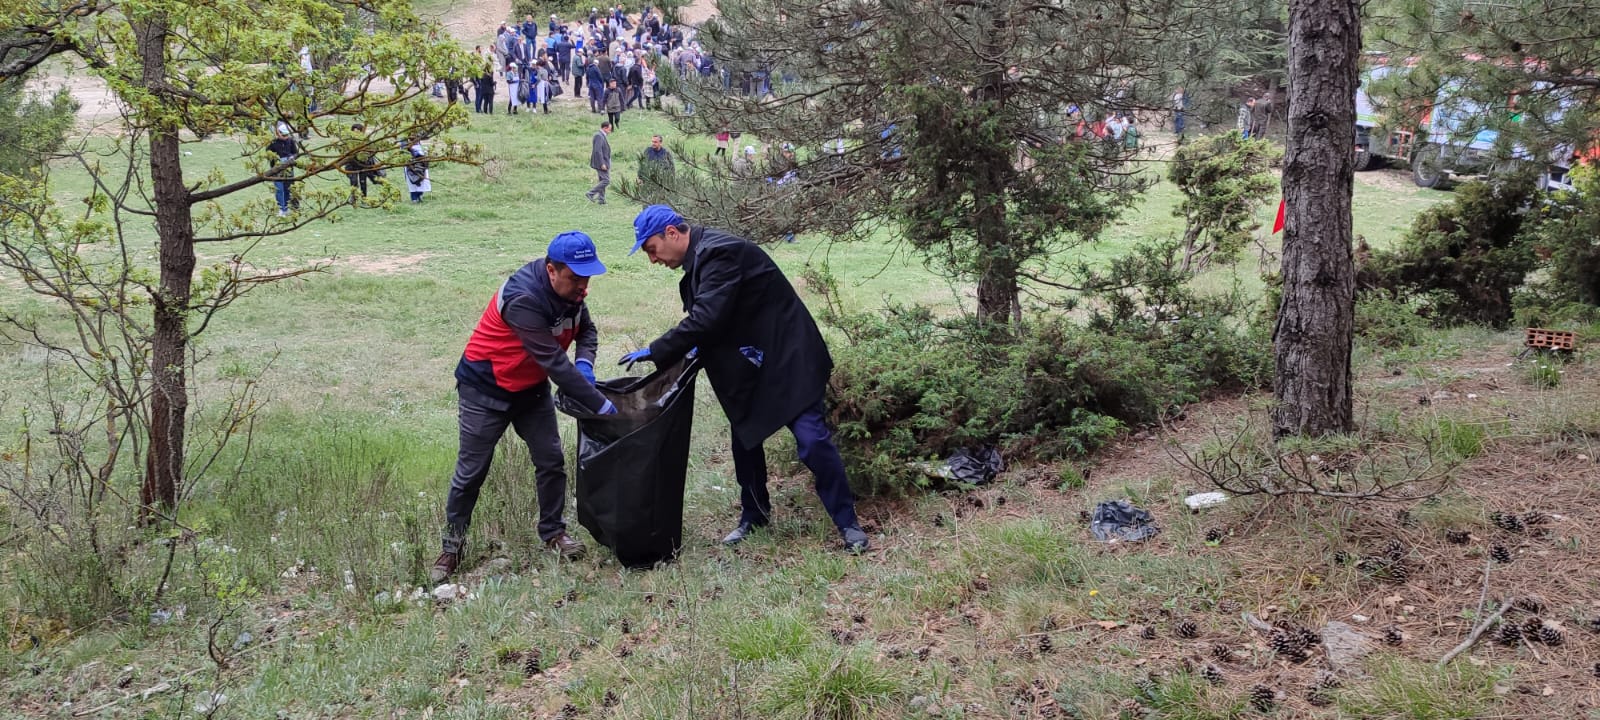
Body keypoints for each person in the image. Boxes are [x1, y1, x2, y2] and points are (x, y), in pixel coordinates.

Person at [620, 205, 871, 553]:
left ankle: (848, 523)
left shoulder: (720, 253)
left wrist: (656, 349)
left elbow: (707, 318)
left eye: (651, 249)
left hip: (789, 358)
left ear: (672, 234)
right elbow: (721, 318)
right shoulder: (702, 259)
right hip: (753, 360)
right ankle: (755, 515)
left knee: (813, 441)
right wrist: (687, 353)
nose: (652, 259)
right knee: (746, 439)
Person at [431, 232, 618, 581]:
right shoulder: (523, 299)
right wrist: (600, 404)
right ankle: (451, 548)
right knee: (471, 472)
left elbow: (587, 332)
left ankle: (553, 534)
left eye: (588, 277)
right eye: (576, 278)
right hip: (485, 390)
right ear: (551, 270)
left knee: (551, 461)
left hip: (530, 390)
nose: (584, 287)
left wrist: (586, 364)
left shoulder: (573, 294)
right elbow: (553, 362)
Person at [267, 123, 299, 217]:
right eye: (283, 135)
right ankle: (282, 208)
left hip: (289, 168)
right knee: (279, 189)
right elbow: (268, 154)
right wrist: (275, 159)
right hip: (277, 169)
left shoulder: (291, 141)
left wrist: (291, 158)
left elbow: (296, 153)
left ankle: (288, 207)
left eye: (286, 135)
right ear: (278, 133)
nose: (285, 137)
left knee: (288, 188)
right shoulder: (273, 143)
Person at [586, 120, 613, 204]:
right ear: (605, 128)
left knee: (602, 179)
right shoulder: (599, 136)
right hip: (601, 163)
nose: (610, 131)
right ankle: (590, 193)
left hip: (604, 162)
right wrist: (602, 163)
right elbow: (597, 151)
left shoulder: (601, 135)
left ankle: (601, 199)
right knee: (606, 180)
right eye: (609, 129)